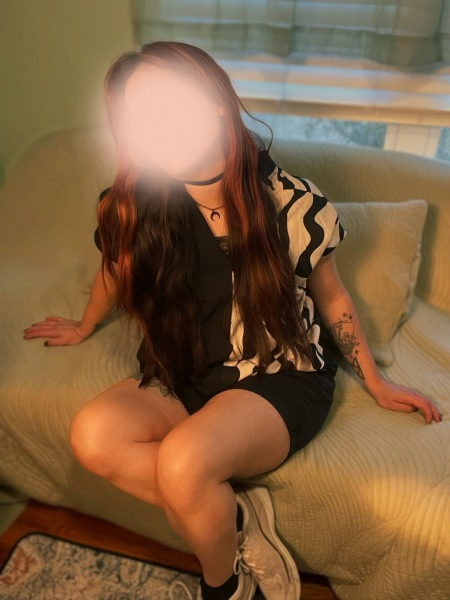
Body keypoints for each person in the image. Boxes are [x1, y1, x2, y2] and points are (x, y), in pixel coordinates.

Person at [23, 41, 443, 600]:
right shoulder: (134, 201)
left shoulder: (294, 205)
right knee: (93, 435)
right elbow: (114, 273)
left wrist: (376, 380)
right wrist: (83, 324)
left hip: (278, 375)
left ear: (216, 103)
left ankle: (226, 587)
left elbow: (333, 297)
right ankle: (239, 517)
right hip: (186, 367)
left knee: (183, 464)